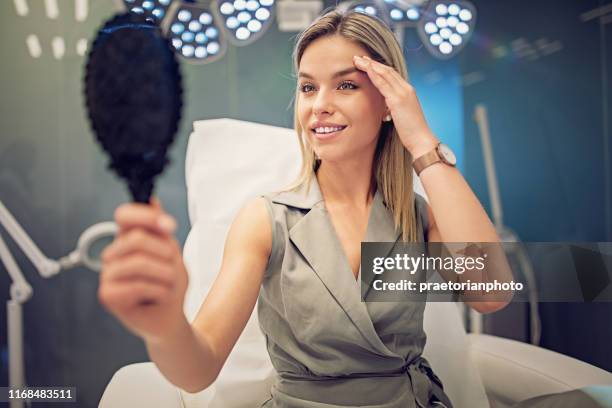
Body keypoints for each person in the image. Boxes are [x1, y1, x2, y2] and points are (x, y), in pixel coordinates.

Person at [98, 9, 511, 408]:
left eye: (346, 86)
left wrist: (421, 141)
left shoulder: (418, 216)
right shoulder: (267, 219)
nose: (320, 105)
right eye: (308, 87)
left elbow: (491, 293)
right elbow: (198, 369)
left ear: (389, 102)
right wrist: (165, 324)